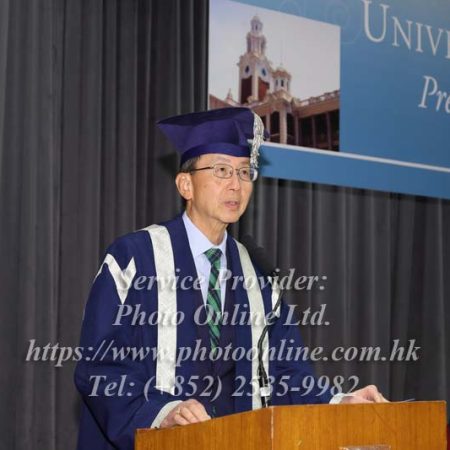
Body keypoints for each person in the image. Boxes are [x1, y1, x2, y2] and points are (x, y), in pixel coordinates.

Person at [74, 107, 386, 450]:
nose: (236, 184)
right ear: (185, 184)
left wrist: (338, 402)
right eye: (222, 170)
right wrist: (160, 412)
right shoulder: (135, 258)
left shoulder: (258, 276)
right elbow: (102, 366)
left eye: (245, 172)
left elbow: (285, 372)